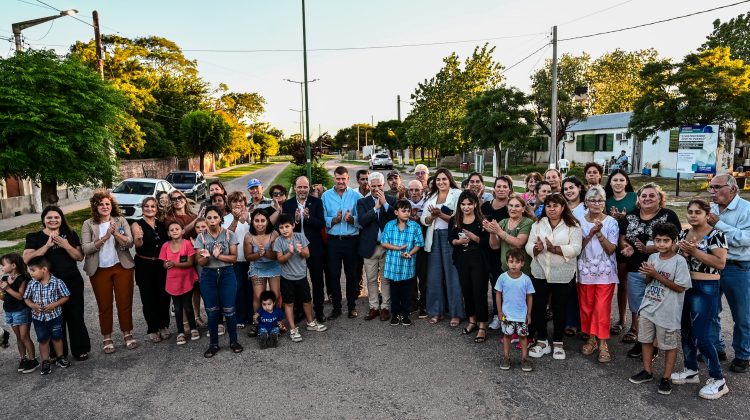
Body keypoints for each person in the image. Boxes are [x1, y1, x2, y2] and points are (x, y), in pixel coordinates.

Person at [672, 199, 729, 399]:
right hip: (685, 286)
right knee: (686, 331)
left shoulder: (716, 234)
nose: (693, 215)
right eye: (690, 212)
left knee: (701, 334)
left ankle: (718, 379)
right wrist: (682, 252)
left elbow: (720, 263)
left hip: (706, 287)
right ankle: (690, 370)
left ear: (707, 214)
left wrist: (694, 251)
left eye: (698, 212)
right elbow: (678, 260)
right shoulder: (683, 233)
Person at [619, 183, 681, 358]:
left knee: (657, 307)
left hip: (662, 271)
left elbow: (676, 243)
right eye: (644, 195)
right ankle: (641, 340)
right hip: (635, 269)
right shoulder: (631, 216)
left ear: (660, 199)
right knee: (638, 307)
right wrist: (626, 247)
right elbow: (622, 238)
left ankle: (654, 344)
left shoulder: (669, 215)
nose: (647, 198)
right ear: (638, 199)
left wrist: (650, 249)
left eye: (652, 195)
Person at [628, 223, 691, 396]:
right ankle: (647, 371)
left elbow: (680, 287)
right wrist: (649, 274)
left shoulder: (679, 261)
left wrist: (656, 275)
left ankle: (666, 377)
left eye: (666, 240)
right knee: (646, 340)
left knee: (669, 345)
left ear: (674, 241)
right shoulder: (653, 257)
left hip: (668, 311)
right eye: (658, 240)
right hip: (649, 307)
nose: (661, 244)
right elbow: (647, 282)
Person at [23, 206, 90, 361]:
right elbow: (27, 259)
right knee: (53, 318)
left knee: (75, 315)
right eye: (49, 217)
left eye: (56, 217)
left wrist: (66, 245)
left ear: (61, 219)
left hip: (72, 281)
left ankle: (80, 349)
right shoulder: (34, 237)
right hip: (46, 286)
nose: (53, 220)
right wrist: (47, 245)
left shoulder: (70, 234)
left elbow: (79, 257)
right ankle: (58, 353)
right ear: (43, 220)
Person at [525, 193, 582, 360]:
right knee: (539, 307)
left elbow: (576, 248)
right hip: (540, 271)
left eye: (555, 206)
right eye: (549, 206)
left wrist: (555, 249)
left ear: (563, 207)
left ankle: (558, 342)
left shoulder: (573, 225)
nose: (552, 209)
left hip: (563, 274)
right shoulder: (538, 223)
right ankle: (542, 341)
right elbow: (529, 244)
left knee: (559, 308)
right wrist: (536, 248)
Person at [81, 190, 137, 354]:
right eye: (101, 204)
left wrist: (116, 234)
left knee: (124, 303)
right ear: (95, 206)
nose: (105, 207)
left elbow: (130, 242)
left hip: (122, 267)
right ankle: (107, 337)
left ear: (112, 205)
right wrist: (105, 237)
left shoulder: (120, 220)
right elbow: (85, 248)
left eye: (107, 203)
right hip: (99, 269)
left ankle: (127, 334)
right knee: (104, 305)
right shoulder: (88, 224)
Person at [708, 174, 750, 374]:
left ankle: (742, 354)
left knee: (742, 315)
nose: (713, 192)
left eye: (717, 187)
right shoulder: (712, 209)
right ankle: (717, 348)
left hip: (738, 267)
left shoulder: (746, 209)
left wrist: (718, 224)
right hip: (712, 265)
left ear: (732, 188)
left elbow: (745, 239)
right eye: (711, 188)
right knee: (711, 310)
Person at [577, 186, 619, 363]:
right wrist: (590, 234)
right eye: (593, 200)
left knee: (601, 308)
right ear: (586, 203)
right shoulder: (579, 221)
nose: (596, 203)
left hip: (605, 272)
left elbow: (611, 249)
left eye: (600, 200)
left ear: (604, 203)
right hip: (584, 271)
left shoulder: (611, 222)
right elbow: (577, 249)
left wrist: (599, 233)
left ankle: (603, 343)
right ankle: (591, 339)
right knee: (587, 307)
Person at [194, 205, 243, 358]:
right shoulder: (201, 237)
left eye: (215, 217)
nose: (212, 221)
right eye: (209, 218)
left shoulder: (229, 235)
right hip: (208, 275)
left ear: (220, 218)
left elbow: (234, 258)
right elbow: (200, 262)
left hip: (227, 273)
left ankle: (234, 341)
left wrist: (218, 256)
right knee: (212, 310)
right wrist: (205, 256)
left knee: (229, 309)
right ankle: (213, 344)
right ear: (205, 219)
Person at [273, 214, 328, 342]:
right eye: (281, 227)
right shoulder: (279, 241)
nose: (284, 230)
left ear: (293, 225)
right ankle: (292, 328)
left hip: (301, 276)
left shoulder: (300, 236)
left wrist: (299, 251)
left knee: (307, 300)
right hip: (286, 278)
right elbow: (280, 259)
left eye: (287, 226)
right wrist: (290, 253)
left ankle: (310, 322)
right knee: (289, 303)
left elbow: (307, 254)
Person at [420, 168, 464, 327]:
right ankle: (435, 311)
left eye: (444, 179)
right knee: (434, 277)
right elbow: (424, 220)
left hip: (450, 236)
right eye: (438, 180)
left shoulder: (457, 194)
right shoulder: (431, 197)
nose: (441, 182)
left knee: (453, 276)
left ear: (450, 180)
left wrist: (441, 215)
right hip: (433, 237)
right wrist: (432, 216)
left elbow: (459, 219)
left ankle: (456, 313)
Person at [486, 195, 534, 334]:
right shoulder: (503, 222)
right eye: (511, 205)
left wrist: (499, 231)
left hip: (523, 272)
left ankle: (525, 333)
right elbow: (494, 246)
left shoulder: (527, 222)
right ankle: (510, 331)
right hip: (506, 270)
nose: (513, 208)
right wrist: (491, 233)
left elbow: (519, 243)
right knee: (509, 302)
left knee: (522, 302)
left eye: (517, 206)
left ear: (523, 208)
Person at [282, 176, 327, 323]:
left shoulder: (317, 202)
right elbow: (284, 226)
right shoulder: (288, 204)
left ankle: (319, 310)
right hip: (295, 249)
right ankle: (300, 310)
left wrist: (307, 218)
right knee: (298, 280)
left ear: (309, 188)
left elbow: (321, 223)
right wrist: (295, 220)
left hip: (314, 247)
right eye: (299, 187)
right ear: (295, 187)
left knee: (317, 280)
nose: (302, 190)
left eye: (305, 187)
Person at [322, 166, 363, 319]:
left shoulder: (356, 196)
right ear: (334, 178)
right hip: (333, 242)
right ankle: (336, 307)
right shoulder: (326, 196)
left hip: (351, 241)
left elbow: (362, 219)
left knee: (352, 275)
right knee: (334, 275)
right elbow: (322, 218)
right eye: (338, 179)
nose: (340, 181)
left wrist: (352, 220)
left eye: (343, 179)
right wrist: (335, 220)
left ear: (348, 178)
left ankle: (352, 306)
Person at [449, 190, 489, 343]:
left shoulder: (482, 220)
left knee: (479, 292)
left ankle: (482, 325)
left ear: (475, 204)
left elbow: (487, 243)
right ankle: (472, 320)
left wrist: (474, 238)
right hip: (462, 260)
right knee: (467, 291)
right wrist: (458, 242)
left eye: (469, 204)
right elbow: (450, 239)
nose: (466, 207)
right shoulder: (454, 220)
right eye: (463, 204)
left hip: (479, 260)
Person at [357, 172, 397, 322]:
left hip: (387, 247)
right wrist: (376, 208)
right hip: (370, 247)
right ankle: (374, 307)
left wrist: (384, 204)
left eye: (378, 186)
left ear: (383, 185)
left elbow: (395, 218)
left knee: (386, 279)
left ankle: (385, 307)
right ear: (369, 186)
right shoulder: (362, 202)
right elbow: (362, 221)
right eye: (373, 186)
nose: (375, 189)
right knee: (371, 278)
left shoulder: (392, 200)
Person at [23, 256, 71, 375]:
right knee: (43, 339)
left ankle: (60, 358)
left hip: (55, 316)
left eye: (33, 271)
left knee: (57, 337)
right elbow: (26, 299)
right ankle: (45, 361)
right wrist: (33, 305)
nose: (31, 274)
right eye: (30, 271)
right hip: (38, 318)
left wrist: (54, 304)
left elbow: (66, 296)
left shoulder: (57, 282)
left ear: (44, 269)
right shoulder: (32, 284)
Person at [131, 197, 170, 343]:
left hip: (161, 265)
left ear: (156, 208)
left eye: (153, 206)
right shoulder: (137, 224)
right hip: (144, 265)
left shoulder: (160, 224)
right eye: (146, 206)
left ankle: (163, 325)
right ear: (142, 208)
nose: (149, 209)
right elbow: (138, 244)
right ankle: (152, 328)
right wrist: (139, 238)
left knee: (164, 296)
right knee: (148, 298)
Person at [380, 199, 424, 326]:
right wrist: (398, 248)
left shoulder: (415, 226)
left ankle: (405, 315)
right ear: (396, 212)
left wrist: (409, 253)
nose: (406, 213)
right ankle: (395, 314)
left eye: (408, 211)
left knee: (406, 292)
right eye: (403, 211)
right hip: (393, 266)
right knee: (394, 292)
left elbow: (419, 244)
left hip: (407, 267)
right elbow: (384, 242)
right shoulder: (389, 225)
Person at [604, 169, 637, 336]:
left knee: (635, 284)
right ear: (610, 182)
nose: (618, 183)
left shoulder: (634, 197)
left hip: (635, 245)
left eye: (621, 180)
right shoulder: (606, 201)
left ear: (626, 182)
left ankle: (636, 324)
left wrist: (625, 217)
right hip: (615, 246)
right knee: (622, 283)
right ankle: (622, 320)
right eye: (614, 180)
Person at [160, 220, 200, 345]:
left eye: (177, 229)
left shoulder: (187, 244)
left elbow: (190, 263)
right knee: (177, 308)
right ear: (168, 233)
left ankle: (193, 328)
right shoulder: (165, 246)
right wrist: (166, 265)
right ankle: (180, 332)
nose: (174, 231)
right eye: (172, 230)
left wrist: (174, 264)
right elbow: (163, 263)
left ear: (182, 231)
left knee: (187, 305)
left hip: (187, 279)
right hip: (173, 281)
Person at [496, 248, 535, 372]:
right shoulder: (502, 277)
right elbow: (498, 294)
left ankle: (524, 359)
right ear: (507, 262)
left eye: (517, 262)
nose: (514, 264)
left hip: (521, 315)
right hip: (507, 315)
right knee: (507, 336)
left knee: (523, 337)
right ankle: (506, 357)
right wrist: (499, 311)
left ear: (522, 263)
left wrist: (529, 313)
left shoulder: (526, 279)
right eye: (511, 261)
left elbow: (530, 296)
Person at [245, 208, 281, 336]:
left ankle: (277, 321)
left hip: (273, 267)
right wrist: (258, 255)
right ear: (252, 222)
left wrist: (265, 252)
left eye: (262, 221)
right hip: (257, 267)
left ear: (267, 221)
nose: (259, 224)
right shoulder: (249, 236)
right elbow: (247, 257)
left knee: (276, 295)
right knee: (258, 296)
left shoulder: (274, 234)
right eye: (256, 221)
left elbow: (276, 255)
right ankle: (257, 323)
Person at [0, 253, 37, 373]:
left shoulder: (22, 278)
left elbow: (21, 296)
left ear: (13, 265)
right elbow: (4, 297)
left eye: (3, 265)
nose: (1, 267)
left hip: (21, 310)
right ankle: (23, 358)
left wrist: (7, 289)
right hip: (9, 311)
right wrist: (2, 293)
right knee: (18, 337)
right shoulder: (5, 279)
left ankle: (33, 360)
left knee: (24, 336)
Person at [562, 176, 587, 335]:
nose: (569, 191)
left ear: (579, 188)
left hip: (587, 251)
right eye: (565, 189)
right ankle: (571, 322)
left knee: (584, 289)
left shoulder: (587, 207)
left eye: (572, 187)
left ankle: (586, 325)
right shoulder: (562, 208)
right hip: (567, 252)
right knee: (569, 289)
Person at [224, 191, 251, 329]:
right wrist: (235, 219)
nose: (238, 204)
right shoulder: (226, 219)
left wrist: (247, 219)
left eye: (241, 201)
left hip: (251, 259)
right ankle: (240, 317)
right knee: (238, 288)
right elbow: (226, 237)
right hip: (235, 260)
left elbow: (259, 231)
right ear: (229, 204)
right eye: (234, 201)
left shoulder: (250, 216)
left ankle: (251, 315)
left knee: (251, 288)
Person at [406, 180, 428, 318]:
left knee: (424, 277)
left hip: (424, 245)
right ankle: (413, 302)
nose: (414, 193)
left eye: (417, 190)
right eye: (412, 190)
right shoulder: (404, 203)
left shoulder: (427, 204)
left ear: (422, 191)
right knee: (411, 276)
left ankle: (424, 304)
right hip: (409, 245)